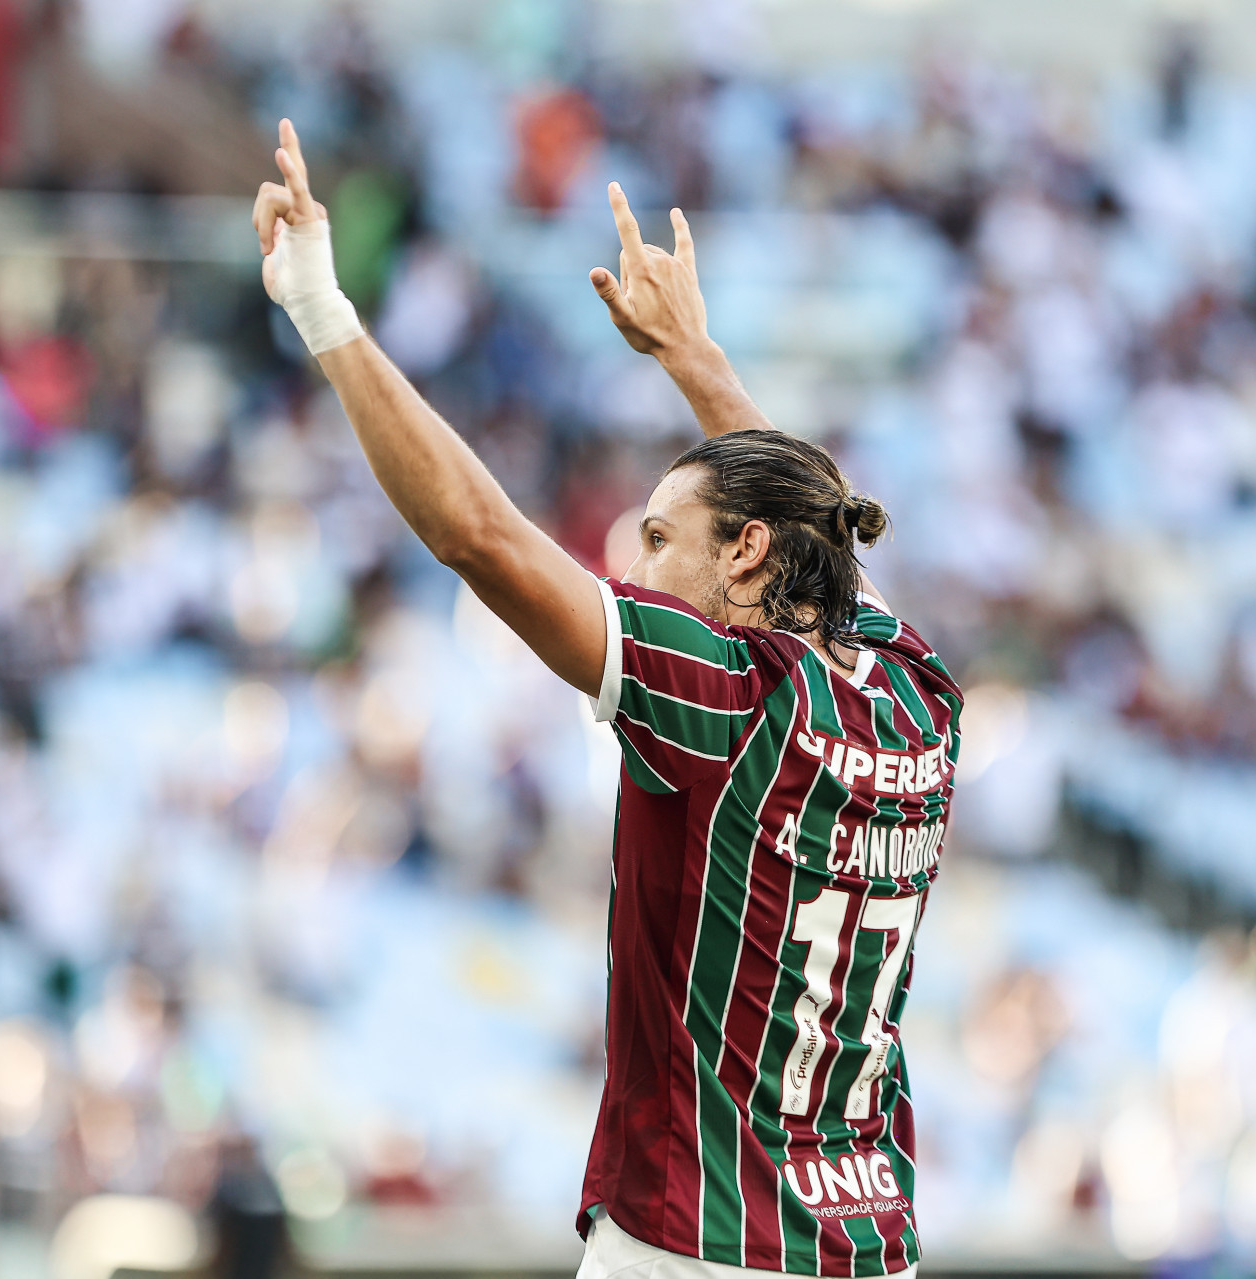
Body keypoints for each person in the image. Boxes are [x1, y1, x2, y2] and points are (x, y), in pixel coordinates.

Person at [254, 119, 961, 1279]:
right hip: (866, 1243)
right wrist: (692, 357)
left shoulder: (728, 694)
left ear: (742, 556)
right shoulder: (917, 686)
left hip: (696, 1236)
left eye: (659, 537)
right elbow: (817, 528)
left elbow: (477, 536)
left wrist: (323, 311)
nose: (632, 566)